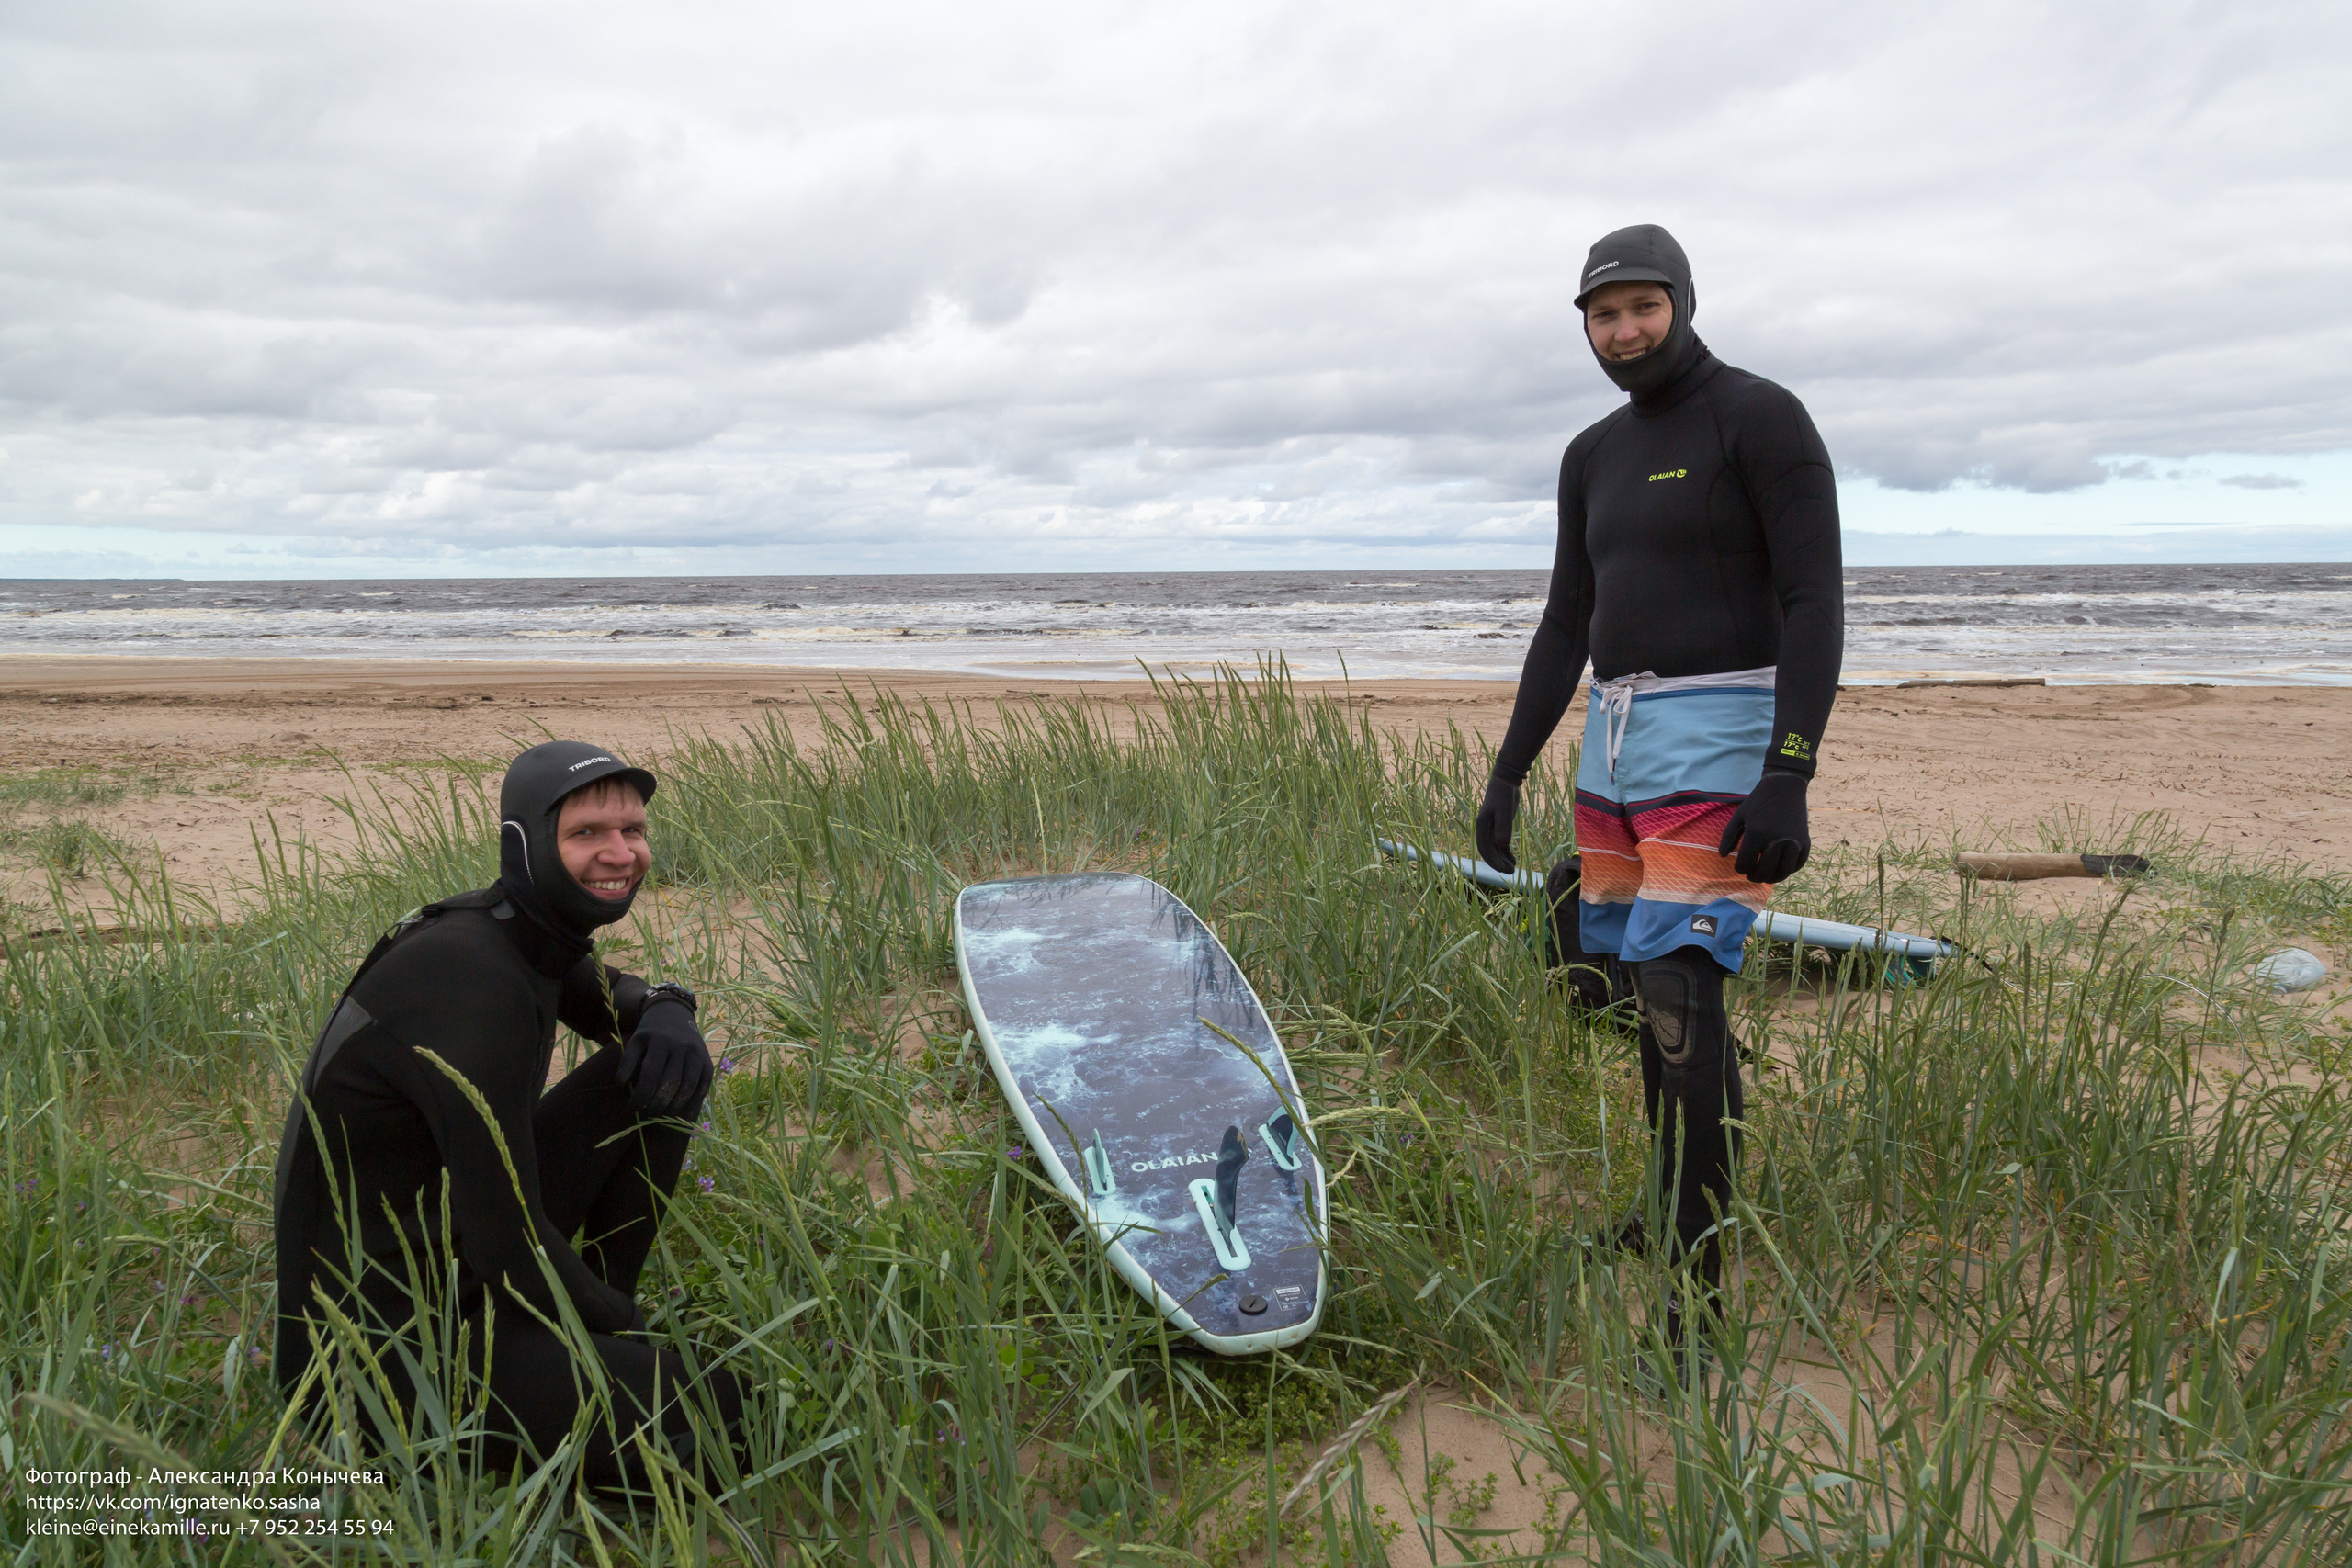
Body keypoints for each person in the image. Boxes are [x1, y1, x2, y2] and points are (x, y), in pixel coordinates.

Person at [1476, 223, 1842, 1358]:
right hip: (1618, 740)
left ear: (1682, 301)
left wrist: (1788, 773)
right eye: (1602, 314)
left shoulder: (1758, 417)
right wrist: (1508, 766)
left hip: (1724, 730)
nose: (1624, 331)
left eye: (1643, 306)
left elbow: (1813, 603)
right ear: (1582, 325)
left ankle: (1698, 1300)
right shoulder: (1591, 453)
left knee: (1684, 1002)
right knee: (1647, 999)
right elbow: (1565, 621)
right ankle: (1674, 1206)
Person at [272, 740, 741, 1489]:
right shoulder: (471, 976)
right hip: (383, 1357)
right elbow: (507, 1246)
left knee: (653, 1065)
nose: (620, 852)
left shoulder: (519, 932)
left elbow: (606, 995)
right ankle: (587, 1327)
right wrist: (627, 1323)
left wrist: (668, 1006)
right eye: (587, 833)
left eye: (634, 830)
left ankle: (576, 1320)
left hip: (454, 1263)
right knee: (717, 1420)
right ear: (524, 842)